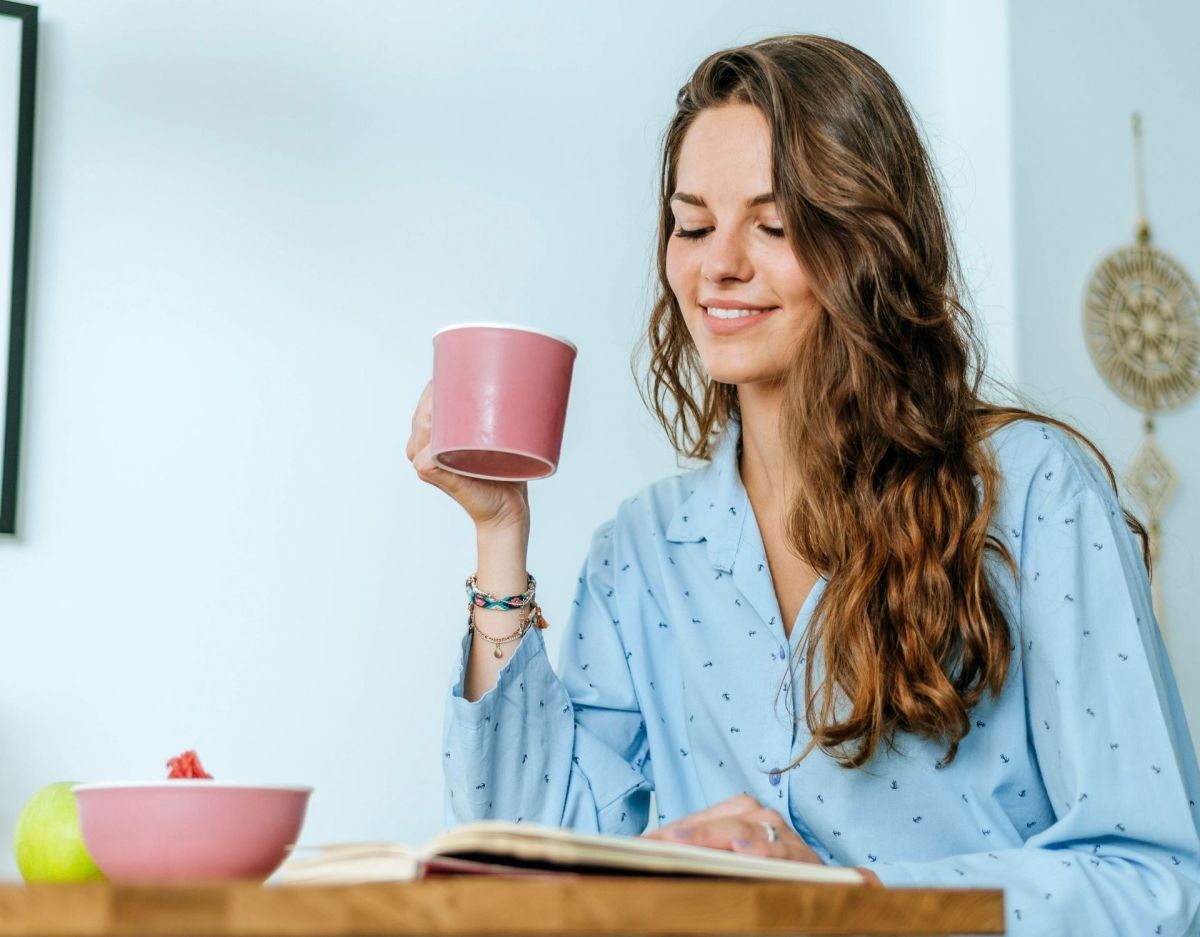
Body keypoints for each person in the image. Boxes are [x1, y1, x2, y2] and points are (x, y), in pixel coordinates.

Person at [406, 34, 1200, 937]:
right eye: (693, 224)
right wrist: (499, 530)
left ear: (869, 243)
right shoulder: (641, 554)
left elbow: (1154, 879)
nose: (719, 266)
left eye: (774, 227)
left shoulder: (1033, 495)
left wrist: (844, 902)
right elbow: (528, 862)